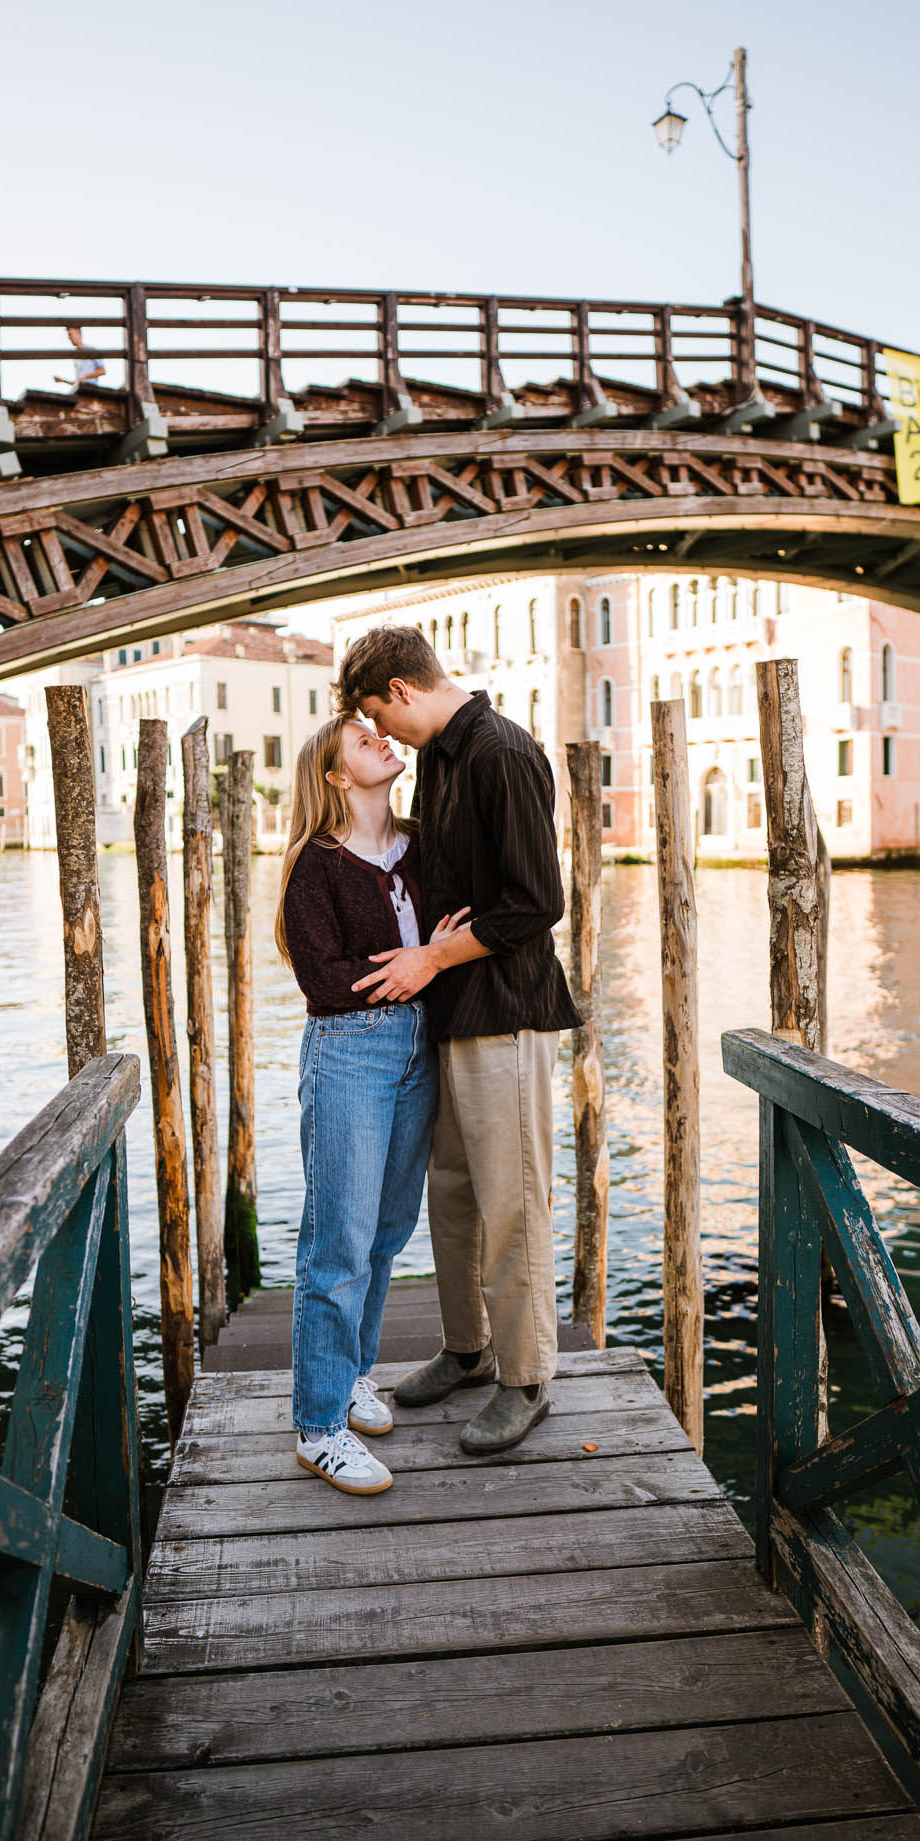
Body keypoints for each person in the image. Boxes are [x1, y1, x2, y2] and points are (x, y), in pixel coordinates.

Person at [337, 625, 580, 1455]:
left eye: (378, 714)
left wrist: (433, 955)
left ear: (402, 691)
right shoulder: (441, 756)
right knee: (453, 1197)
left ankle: (528, 1377)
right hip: (453, 1009)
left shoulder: (501, 753)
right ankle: (469, 1348)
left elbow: (537, 902)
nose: (382, 732)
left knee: (513, 1202)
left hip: (507, 1008)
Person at [277, 715, 467, 1495]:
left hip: (419, 1048)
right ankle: (318, 1426)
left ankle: (353, 1375)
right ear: (335, 775)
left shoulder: (420, 845)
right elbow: (323, 978)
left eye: (379, 737)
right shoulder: (313, 865)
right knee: (339, 1242)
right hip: (350, 1051)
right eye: (363, 742)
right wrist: (415, 967)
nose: (383, 744)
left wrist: (435, 957)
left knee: (387, 1232)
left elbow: (449, 933)